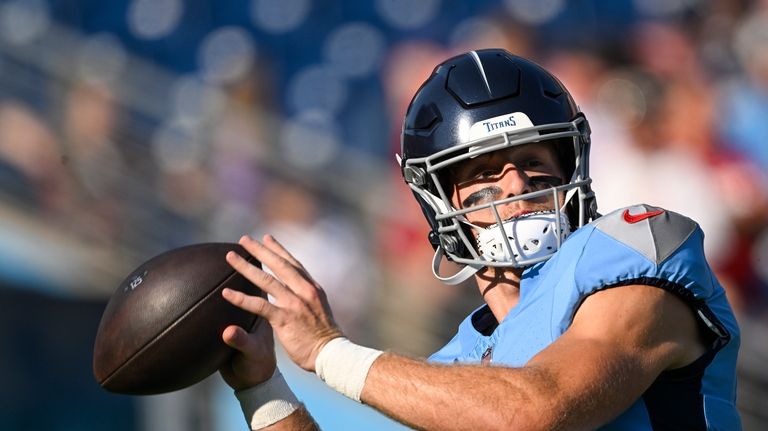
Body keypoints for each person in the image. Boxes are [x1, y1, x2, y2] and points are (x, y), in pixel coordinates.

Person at [217, 49, 741, 430]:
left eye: (535, 162)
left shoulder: (634, 251)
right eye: (485, 174)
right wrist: (263, 389)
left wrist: (330, 352)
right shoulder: (460, 365)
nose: (514, 185)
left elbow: (536, 412)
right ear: (441, 202)